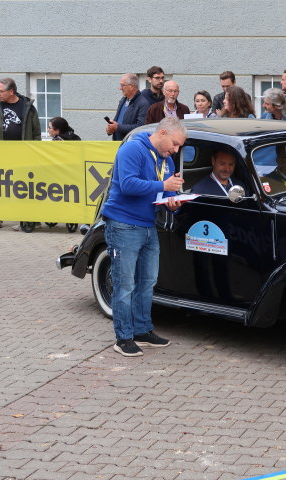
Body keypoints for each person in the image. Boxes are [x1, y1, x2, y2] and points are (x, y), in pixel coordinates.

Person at [101, 117, 186, 357]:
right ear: (162, 132)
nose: (175, 150)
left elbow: (164, 191)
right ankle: (123, 337)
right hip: (124, 225)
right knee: (125, 284)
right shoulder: (132, 149)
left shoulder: (166, 159)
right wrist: (163, 184)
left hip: (148, 225)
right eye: (175, 143)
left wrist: (173, 203)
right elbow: (127, 185)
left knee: (147, 281)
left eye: (179, 146)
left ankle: (142, 330)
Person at [0, 77, 41, 229]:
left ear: (11, 91)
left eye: (1, 91)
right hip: (1, 153)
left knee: (24, 185)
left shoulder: (28, 107)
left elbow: (36, 132)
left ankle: (27, 217)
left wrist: (36, 150)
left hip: (24, 153)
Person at [106, 73, 150, 141]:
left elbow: (140, 127)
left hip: (131, 145)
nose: (120, 88)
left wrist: (118, 127)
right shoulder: (123, 100)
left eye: (122, 85)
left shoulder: (143, 103)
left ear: (131, 87)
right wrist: (111, 128)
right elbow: (117, 121)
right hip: (117, 143)